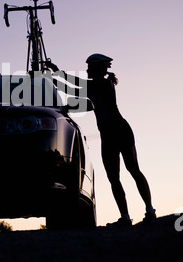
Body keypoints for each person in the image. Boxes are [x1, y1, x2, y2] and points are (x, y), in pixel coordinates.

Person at [47, 54, 156, 227]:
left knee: (132, 170)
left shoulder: (101, 84)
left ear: (98, 68)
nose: (87, 70)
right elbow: (76, 89)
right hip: (110, 134)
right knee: (116, 177)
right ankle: (128, 217)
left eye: (90, 67)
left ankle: (148, 211)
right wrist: (55, 73)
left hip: (118, 131)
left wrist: (53, 74)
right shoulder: (99, 84)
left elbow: (74, 88)